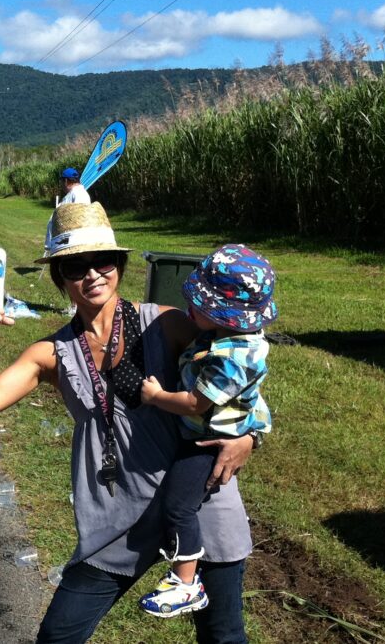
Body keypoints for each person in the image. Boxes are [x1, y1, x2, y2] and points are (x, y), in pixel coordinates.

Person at [0, 203, 254, 644]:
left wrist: (251, 435)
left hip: (196, 497)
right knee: (59, 635)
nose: (93, 274)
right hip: (119, 509)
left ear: (118, 265)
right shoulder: (50, 353)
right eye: (76, 266)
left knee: (222, 634)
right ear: (60, 276)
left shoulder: (167, 324)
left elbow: (237, 372)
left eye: (104, 261)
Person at [137, 244, 276, 618]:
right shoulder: (230, 338)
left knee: (179, 507)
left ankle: (185, 583)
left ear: (225, 315)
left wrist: (156, 396)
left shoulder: (228, 359)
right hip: (208, 434)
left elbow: (195, 404)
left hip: (204, 443)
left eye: (199, 304)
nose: (189, 308)